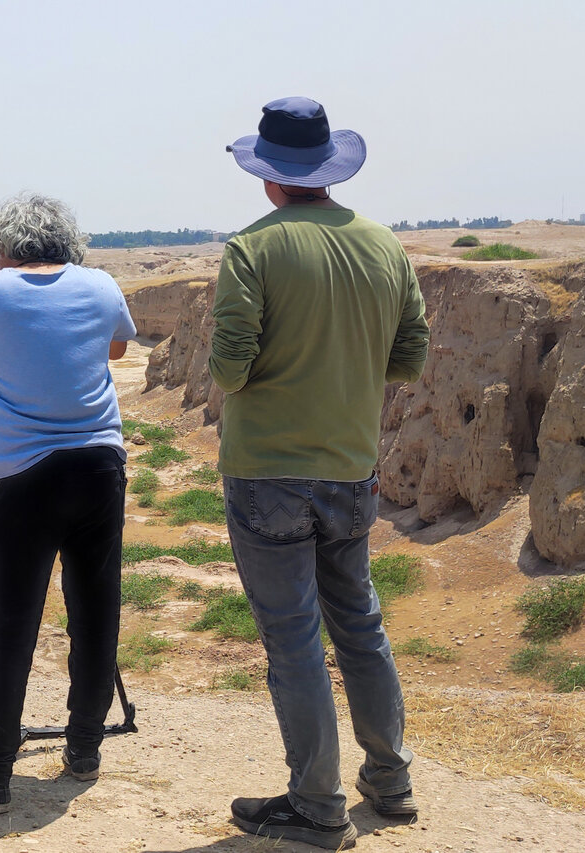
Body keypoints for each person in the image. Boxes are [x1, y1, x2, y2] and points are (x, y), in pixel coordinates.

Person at [211, 97, 430, 849]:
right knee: (361, 625)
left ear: (269, 178)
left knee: (295, 640)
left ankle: (315, 802)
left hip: (267, 471)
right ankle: (390, 779)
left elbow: (230, 369)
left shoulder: (251, 249)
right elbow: (410, 355)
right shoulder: (384, 245)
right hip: (351, 468)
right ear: (329, 169)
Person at [0, 193, 136, 813]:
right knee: (96, 609)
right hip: (99, 466)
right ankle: (85, 746)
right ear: (68, 241)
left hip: (22, 476)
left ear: (4, 244)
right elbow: (114, 351)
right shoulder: (100, 286)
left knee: (11, 623)